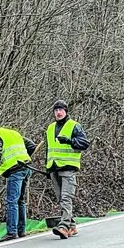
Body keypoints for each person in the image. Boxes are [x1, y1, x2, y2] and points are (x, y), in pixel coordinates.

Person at [41, 99, 91, 239]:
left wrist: (69, 141)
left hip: (68, 167)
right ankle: (72, 226)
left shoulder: (74, 126)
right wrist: (47, 167)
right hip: (54, 167)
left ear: (65, 111)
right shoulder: (50, 128)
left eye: (60, 110)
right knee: (60, 198)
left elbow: (84, 143)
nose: (58, 112)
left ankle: (63, 226)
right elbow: (48, 149)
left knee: (66, 197)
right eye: (56, 110)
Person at [0, 117, 38, 243]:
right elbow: (31, 146)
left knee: (11, 201)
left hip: (15, 170)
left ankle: (12, 232)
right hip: (26, 168)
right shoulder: (13, 133)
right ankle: (21, 230)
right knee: (20, 200)